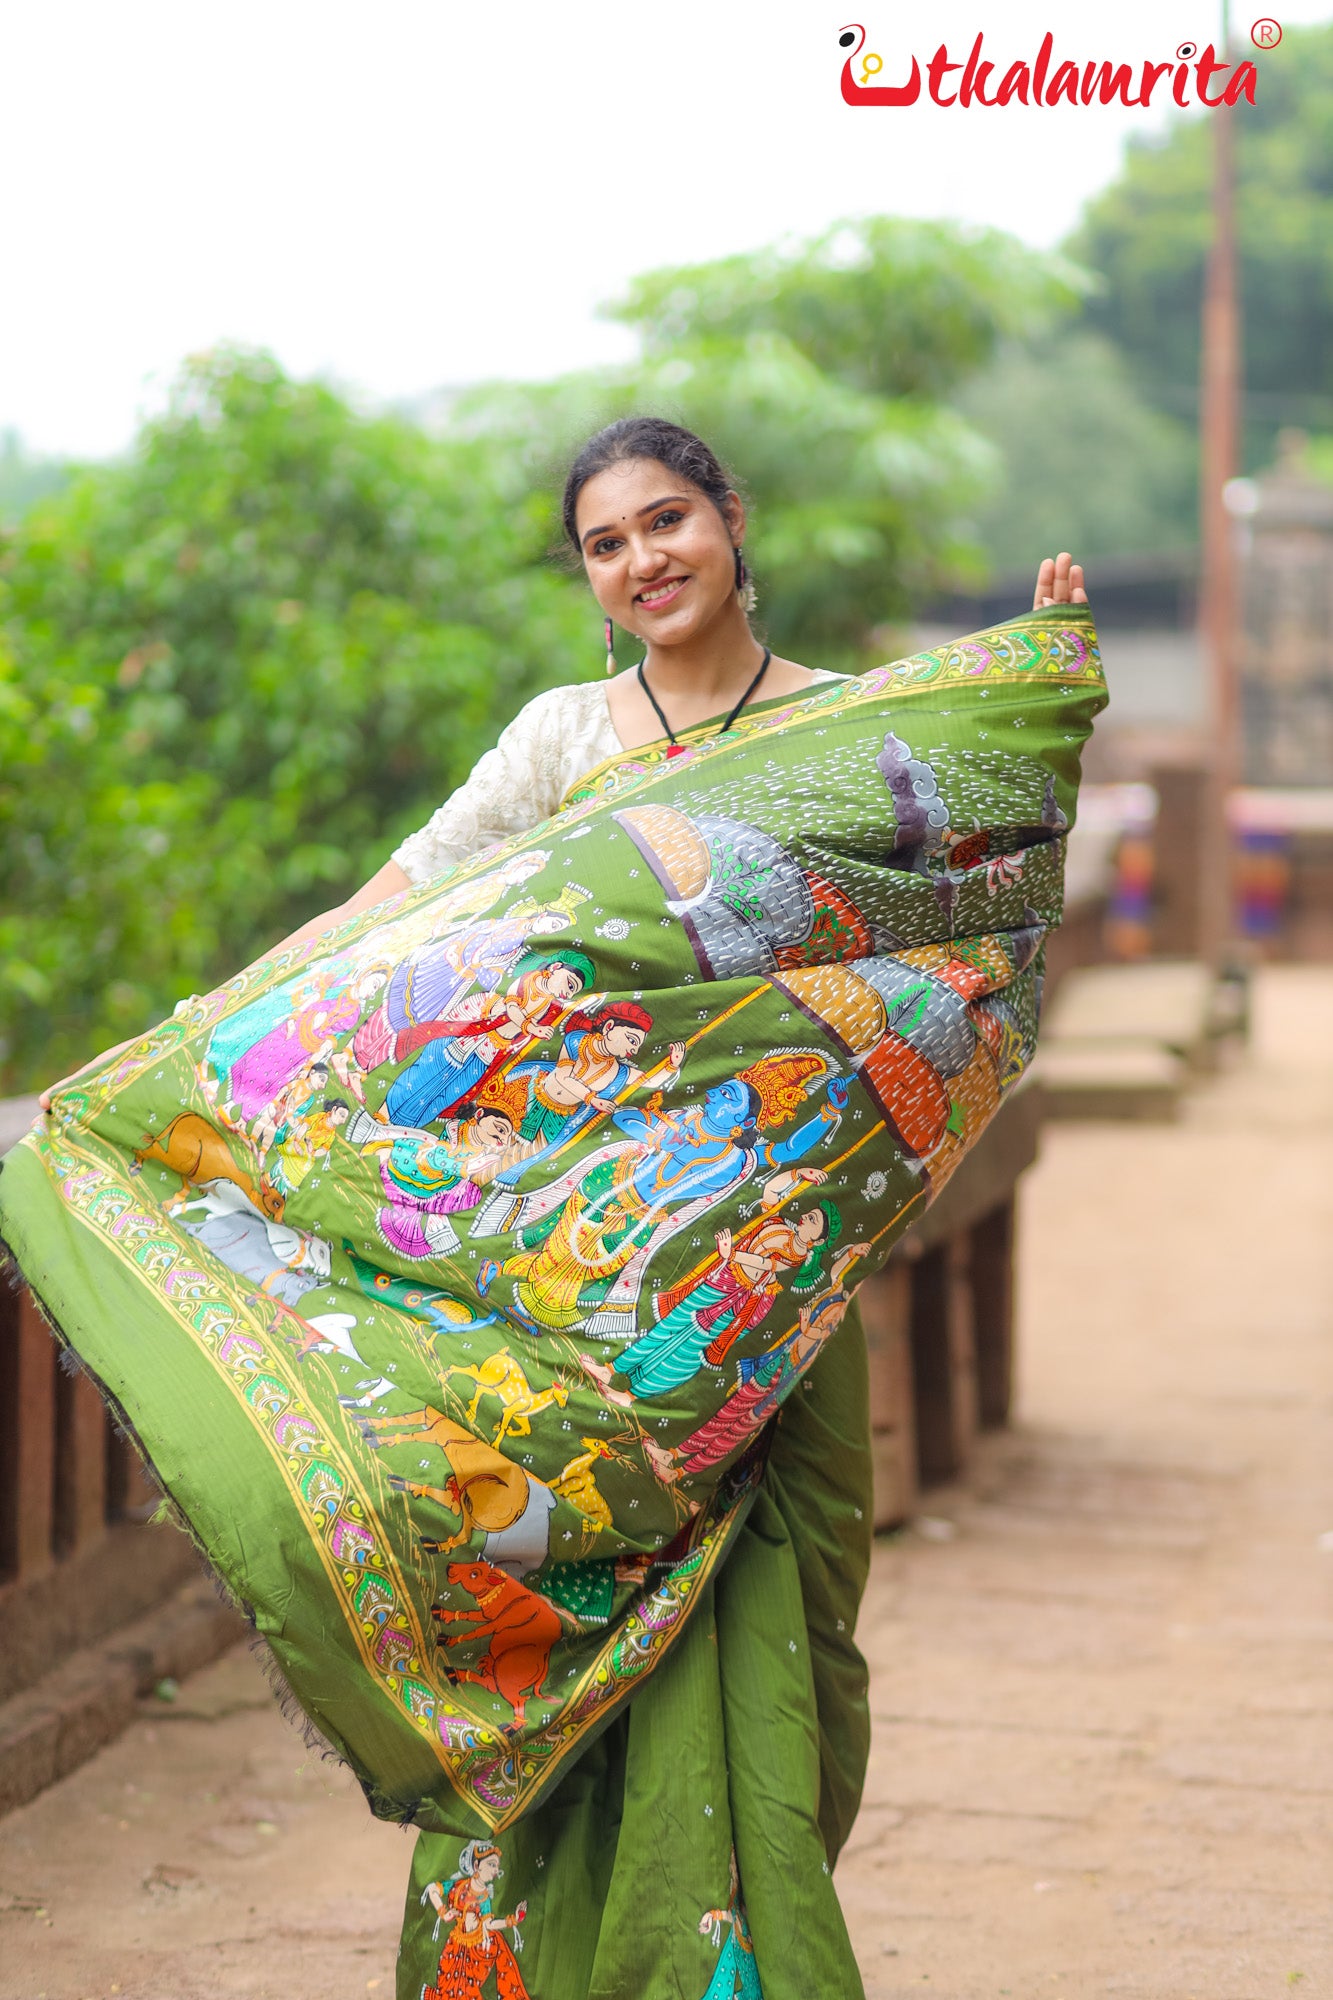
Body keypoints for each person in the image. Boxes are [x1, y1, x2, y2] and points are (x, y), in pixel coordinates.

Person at [36, 414, 1089, 1998]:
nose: (642, 561)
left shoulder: (847, 735)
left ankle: (731, 1944)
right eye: (606, 544)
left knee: (796, 1628)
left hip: (761, 1283)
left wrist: (1041, 681)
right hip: (564, 1301)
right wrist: (201, 1029)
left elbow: (975, 913)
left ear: (731, 522)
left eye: (666, 521)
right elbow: (408, 910)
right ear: (588, 576)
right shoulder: (557, 742)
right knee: (555, 1621)